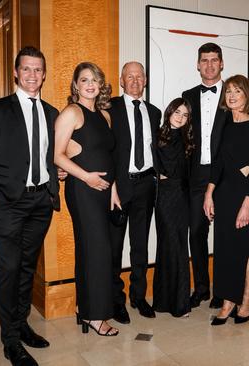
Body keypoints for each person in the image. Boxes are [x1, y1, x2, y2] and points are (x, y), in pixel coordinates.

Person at [0, 46, 60, 366]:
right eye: (26, 69)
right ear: (16, 72)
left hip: (40, 200)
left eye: (38, 69)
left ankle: (21, 324)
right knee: (9, 270)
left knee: (28, 266)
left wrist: (56, 175)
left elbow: (50, 155)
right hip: (8, 203)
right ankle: (10, 340)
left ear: (44, 73)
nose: (32, 75)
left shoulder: (51, 113)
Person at [183, 43, 249, 309]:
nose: (209, 65)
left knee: (234, 237)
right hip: (200, 175)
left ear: (221, 64)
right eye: (203, 60)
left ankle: (230, 293)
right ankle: (204, 288)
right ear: (198, 65)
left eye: (214, 60)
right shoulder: (188, 96)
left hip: (230, 178)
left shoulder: (233, 103)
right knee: (198, 232)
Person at [54, 62, 119, 337]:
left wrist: (112, 187)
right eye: (84, 80)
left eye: (94, 79)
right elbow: (57, 155)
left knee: (93, 251)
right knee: (97, 251)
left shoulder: (105, 116)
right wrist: (86, 177)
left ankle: (85, 308)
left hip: (104, 191)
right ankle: (95, 316)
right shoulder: (71, 112)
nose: (90, 84)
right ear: (76, 85)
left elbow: (108, 155)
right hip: (83, 191)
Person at [203, 75, 249, 326]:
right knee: (225, 249)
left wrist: (247, 206)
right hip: (223, 194)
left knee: (243, 250)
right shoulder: (226, 123)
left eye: (237, 91)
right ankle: (229, 301)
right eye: (228, 91)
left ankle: (247, 300)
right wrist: (209, 194)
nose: (231, 95)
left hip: (242, 197)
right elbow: (217, 163)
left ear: (247, 96)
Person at [108, 61, 161, 322]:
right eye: (130, 76)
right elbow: (105, 151)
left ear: (146, 80)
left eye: (139, 76)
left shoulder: (155, 112)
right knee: (114, 247)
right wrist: (111, 186)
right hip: (119, 186)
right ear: (121, 80)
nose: (135, 80)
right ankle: (116, 301)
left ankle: (138, 297)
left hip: (146, 186)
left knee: (140, 245)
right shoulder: (109, 108)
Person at [152, 98, 195, 318]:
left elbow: (186, 172)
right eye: (177, 112)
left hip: (183, 197)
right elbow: (161, 169)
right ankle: (165, 301)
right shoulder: (158, 136)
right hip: (165, 198)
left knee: (179, 246)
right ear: (169, 112)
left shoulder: (189, 140)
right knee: (168, 246)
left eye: (185, 115)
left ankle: (178, 303)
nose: (180, 117)